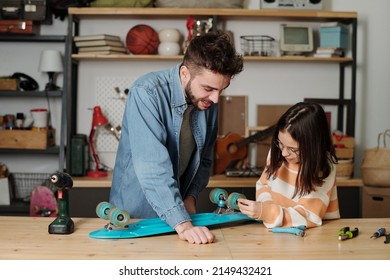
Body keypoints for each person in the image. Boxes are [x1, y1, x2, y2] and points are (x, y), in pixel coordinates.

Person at [109, 31, 244, 244]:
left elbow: (205, 159)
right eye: (208, 88)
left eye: (221, 89)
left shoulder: (209, 101)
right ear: (184, 73)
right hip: (135, 215)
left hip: (179, 214)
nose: (216, 98)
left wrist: (189, 198)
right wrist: (182, 223)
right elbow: (151, 167)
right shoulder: (146, 92)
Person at [238, 102, 340, 229]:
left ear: (313, 146)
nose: (284, 152)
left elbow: (309, 215)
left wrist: (267, 212)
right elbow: (264, 185)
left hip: (315, 235)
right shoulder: (279, 153)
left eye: (293, 149)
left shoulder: (324, 166)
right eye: (280, 143)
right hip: (277, 231)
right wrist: (265, 210)